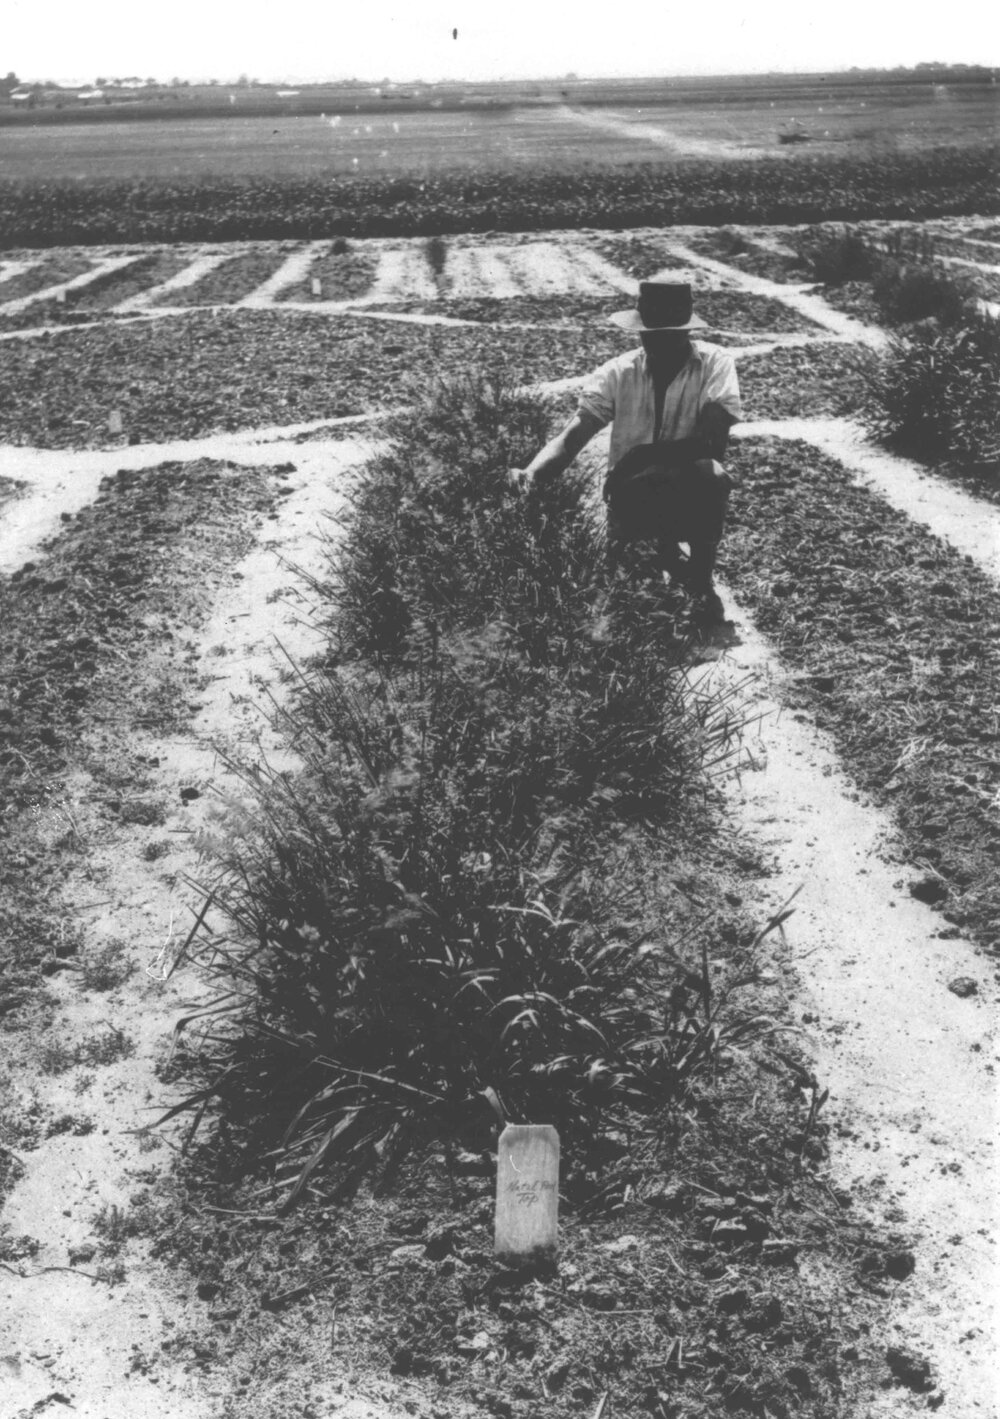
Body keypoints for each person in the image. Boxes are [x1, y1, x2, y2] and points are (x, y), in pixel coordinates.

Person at [510, 279, 742, 622]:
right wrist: (531, 474)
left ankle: (700, 578)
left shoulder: (714, 364)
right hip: (633, 494)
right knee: (637, 602)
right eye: (649, 332)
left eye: (667, 333)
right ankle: (660, 551)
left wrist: (643, 456)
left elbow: (712, 444)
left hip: (688, 488)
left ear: (685, 332)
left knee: (711, 475)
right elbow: (573, 436)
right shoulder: (619, 372)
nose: (657, 341)